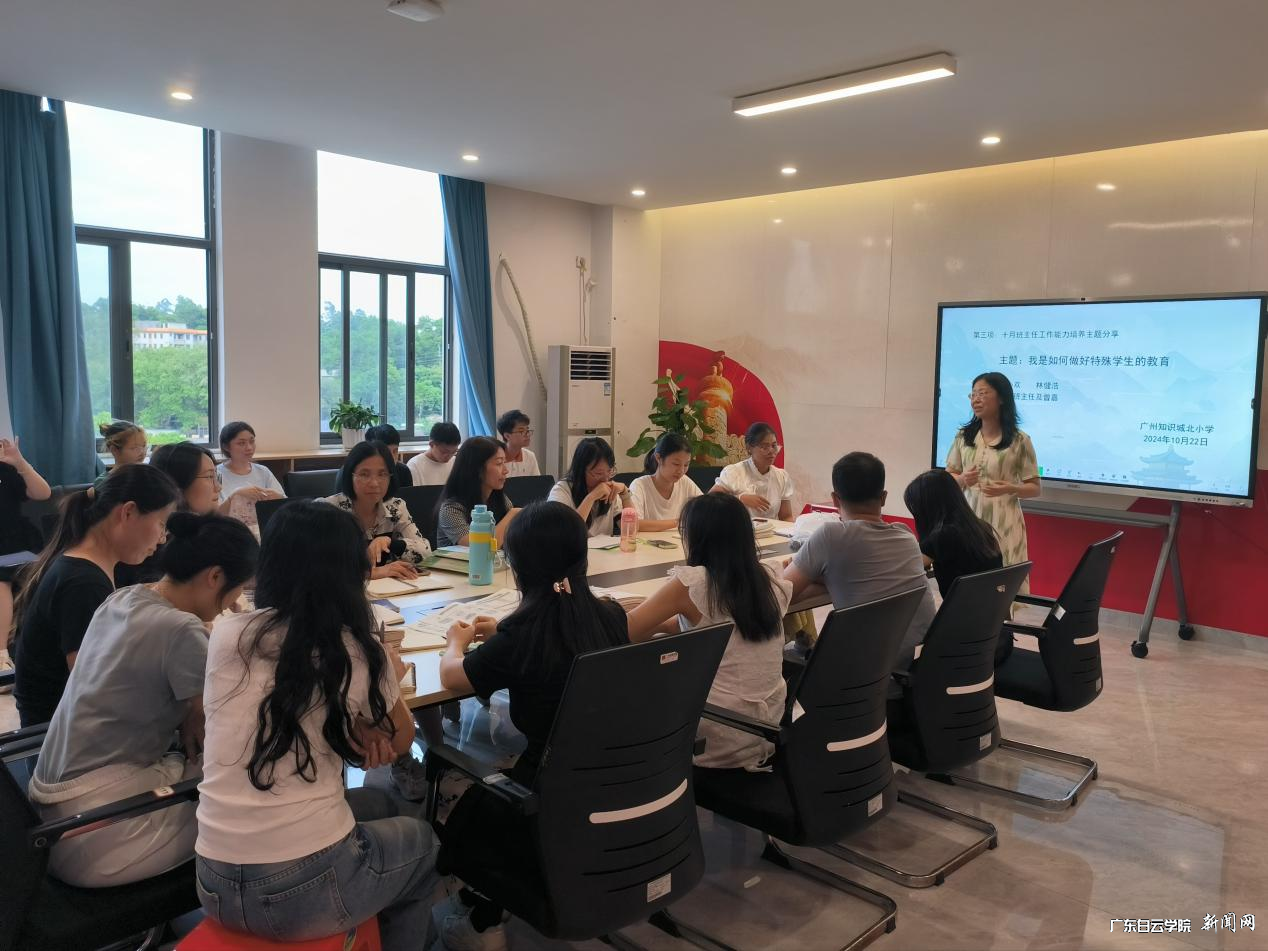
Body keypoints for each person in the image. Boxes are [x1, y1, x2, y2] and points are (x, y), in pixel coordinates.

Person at [195, 501, 437, 947]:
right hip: (303, 889)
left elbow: (292, 700)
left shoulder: (228, 634)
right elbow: (401, 740)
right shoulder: (355, 652)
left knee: (379, 804)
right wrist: (388, 678)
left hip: (212, 880)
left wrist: (353, 717)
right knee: (423, 843)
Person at [434, 501, 628, 949]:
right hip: (614, 784)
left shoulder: (521, 637)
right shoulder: (610, 617)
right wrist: (502, 632)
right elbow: (560, 630)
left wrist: (456, 642)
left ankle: (482, 919)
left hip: (543, 799)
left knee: (456, 792)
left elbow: (451, 677)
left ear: (518, 567)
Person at [28, 513, 258, 887]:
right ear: (215, 577)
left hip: (49, 819)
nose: (233, 603)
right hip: (100, 835)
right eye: (238, 589)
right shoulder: (181, 629)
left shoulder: (121, 599)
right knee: (254, 794)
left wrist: (193, 709)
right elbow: (227, 723)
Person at [626, 493, 791, 770]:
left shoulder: (694, 582)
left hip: (715, 733)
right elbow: (719, 626)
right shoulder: (768, 577)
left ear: (696, 537)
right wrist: (667, 624)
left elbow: (626, 630)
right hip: (766, 729)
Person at [12, 465, 179, 727]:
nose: (161, 539)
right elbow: (95, 688)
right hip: (60, 733)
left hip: (67, 721)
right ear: (128, 512)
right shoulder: (83, 583)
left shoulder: (87, 564)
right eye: (161, 524)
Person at [783, 452, 937, 671]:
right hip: (914, 665)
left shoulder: (830, 537)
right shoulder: (906, 536)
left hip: (859, 670)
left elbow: (782, 591)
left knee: (789, 657)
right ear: (883, 497)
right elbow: (868, 576)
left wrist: (817, 575)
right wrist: (830, 577)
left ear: (835, 499)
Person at [945, 371, 1041, 593]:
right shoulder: (963, 436)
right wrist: (961, 479)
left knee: (1002, 583)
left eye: (982, 393)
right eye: (973, 394)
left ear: (1002, 398)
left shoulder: (1020, 440)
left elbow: (1035, 488)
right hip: (968, 517)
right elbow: (948, 477)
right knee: (968, 580)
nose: (975, 400)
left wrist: (1011, 488)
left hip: (1004, 521)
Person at [904, 468, 1008, 661]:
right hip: (995, 639)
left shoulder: (943, 536)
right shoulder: (981, 527)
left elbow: (908, 568)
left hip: (963, 645)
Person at [117, 442, 223, 586]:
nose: (218, 487)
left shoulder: (188, 532)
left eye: (216, 476)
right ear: (177, 482)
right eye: (209, 476)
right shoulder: (153, 542)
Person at [322, 441, 430, 580]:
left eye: (382, 474)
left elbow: (426, 552)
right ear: (350, 476)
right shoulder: (328, 510)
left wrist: (391, 542)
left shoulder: (395, 507)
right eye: (364, 474)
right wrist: (371, 573)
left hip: (388, 590)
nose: (374, 483)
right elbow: (317, 566)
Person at [0, 437, 52, 649]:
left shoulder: (6, 466)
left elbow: (43, 493)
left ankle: (1, 653)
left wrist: (19, 462)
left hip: (16, 544)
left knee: (1, 579)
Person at [435, 436, 519, 548]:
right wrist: (512, 514)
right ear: (477, 469)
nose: (505, 470)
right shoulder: (451, 508)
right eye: (499, 463)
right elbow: (479, 547)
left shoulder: (499, 498)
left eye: (505, 462)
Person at [547, 436, 631, 537]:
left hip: (604, 547)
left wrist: (625, 493)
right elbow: (567, 533)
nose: (605, 480)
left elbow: (631, 530)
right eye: (598, 473)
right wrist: (591, 497)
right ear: (581, 470)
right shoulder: (562, 490)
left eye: (610, 471)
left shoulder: (610, 491)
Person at [710, 422, 794, 520]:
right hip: (739, 528)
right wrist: (740, 499)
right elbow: (711, 500)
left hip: (773, 529)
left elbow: (786, 516)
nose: (771, 451)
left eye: (774, 446)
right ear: (749, 448)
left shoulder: (781, 476)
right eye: (764, 447)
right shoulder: (734, 472)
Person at [216, 421, 286, 529]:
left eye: (252, 441)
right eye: (241, 443)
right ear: (226, 447)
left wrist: (278, 497)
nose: (249, 447)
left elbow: (285, 502)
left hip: (263, 527)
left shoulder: (263, 471)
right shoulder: (217, 474)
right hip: (230, 529)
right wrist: (235, 496)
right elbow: (214, 515)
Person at [628, 432, 702, 532]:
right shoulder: (639, 485)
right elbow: (634, 524)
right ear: (658, 458)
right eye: (676, 464)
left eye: (686, 465)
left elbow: (704, 509)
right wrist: (679, 522)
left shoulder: (685, 482)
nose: (681, 471)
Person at [93, 421, 147, 493]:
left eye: (143, 446)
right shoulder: (104, 482)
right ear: (114, 450)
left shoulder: (147, 475)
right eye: (134, 448)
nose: (142, 452)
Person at [406, 421, 461, 487]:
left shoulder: (456, 463)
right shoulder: (415, 465)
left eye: (453, 452)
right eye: (444, 452)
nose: (449, 456)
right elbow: (413, 492)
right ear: (432, 444)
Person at [365, 423, 413, 488]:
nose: (392, 457)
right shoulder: (364, 473)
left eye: (395, 451)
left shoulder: (403, 472)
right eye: (386, 452)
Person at [496, 410, 540, 478]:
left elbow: (537, 482)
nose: (527, 434)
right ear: (507, 436)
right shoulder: (495, 458)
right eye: (521, 431)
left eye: (527, 430)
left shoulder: (530, 456)